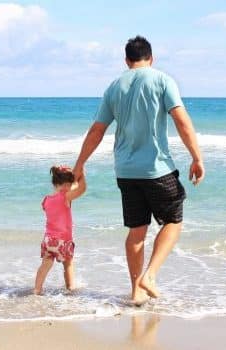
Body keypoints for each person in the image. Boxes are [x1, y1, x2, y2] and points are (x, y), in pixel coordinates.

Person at [72, 35, 205, 305]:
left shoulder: (114, 87)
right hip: (156, 169)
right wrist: (197, 157)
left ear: (127, 60)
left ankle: (136, 292)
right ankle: (150, 276)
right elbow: (181, 120)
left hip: (125, 171)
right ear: (151, 58)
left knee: (136, 231)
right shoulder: (162, 80)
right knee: (173, 221)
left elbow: (98, 129)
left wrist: (80, 163)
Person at [33, 165, 87, 295]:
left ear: (54, 183)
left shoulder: (46, 200)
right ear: (68, 184)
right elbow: (82, 189)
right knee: (68, 264)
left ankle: (37, 289)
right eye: (69, 184)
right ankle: (70, 288)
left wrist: (72, 180)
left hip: (48, 240)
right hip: (63, 240)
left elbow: (66, 191)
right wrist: (82, 174)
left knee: (45, 264)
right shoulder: (66, 197)